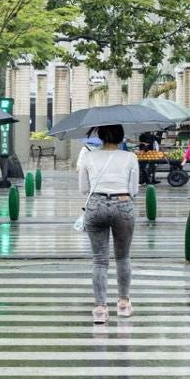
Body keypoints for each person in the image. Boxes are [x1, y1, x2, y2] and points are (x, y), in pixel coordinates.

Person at [77, 124, 138, 325]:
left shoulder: (87, 156)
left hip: (95, 205)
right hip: (123, 204)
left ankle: (100, 309)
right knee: (123, 257)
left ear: (100, 137)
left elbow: (83, 188)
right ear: (121, 137)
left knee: (99, 260)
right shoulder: (130, 157)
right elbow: (134, 189)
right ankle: (123, 303)